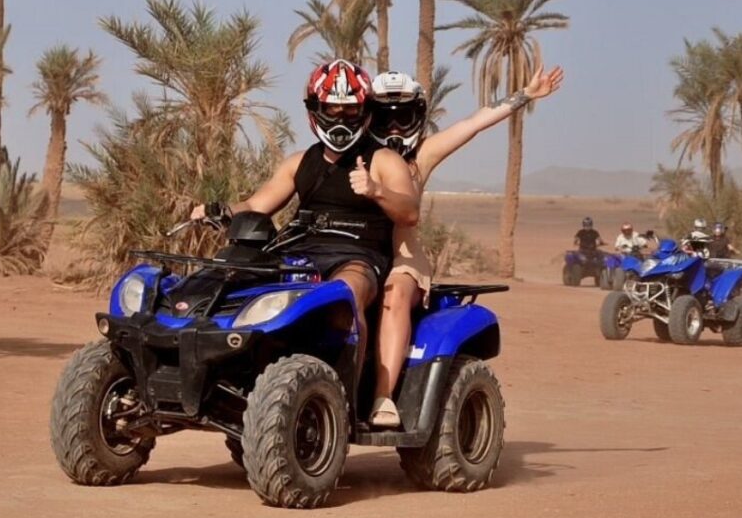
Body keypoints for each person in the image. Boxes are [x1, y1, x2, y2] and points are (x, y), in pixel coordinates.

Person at [367, 65, 564, 427]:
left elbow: (473, 123)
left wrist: (526, 94)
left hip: (402, 259)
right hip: (358, 256)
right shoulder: (354, 153)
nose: (394, 127)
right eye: (384, 117)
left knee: (395, 297)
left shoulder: (420, 157)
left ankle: (383, 398)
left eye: (403, 117)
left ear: (419, 116)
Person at [190, 59, 419, 368]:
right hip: (299, 252)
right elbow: (257, 205)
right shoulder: (299, 162)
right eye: (332, 109)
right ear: (315, 109)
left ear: (364, 111)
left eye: (350, 110)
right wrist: (219, 210)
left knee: (345, 296)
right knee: (234, 285)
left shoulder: (384, 160)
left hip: (358, 257)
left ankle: (344, 398)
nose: (341, 118)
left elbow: (410, 213)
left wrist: (376, 190)